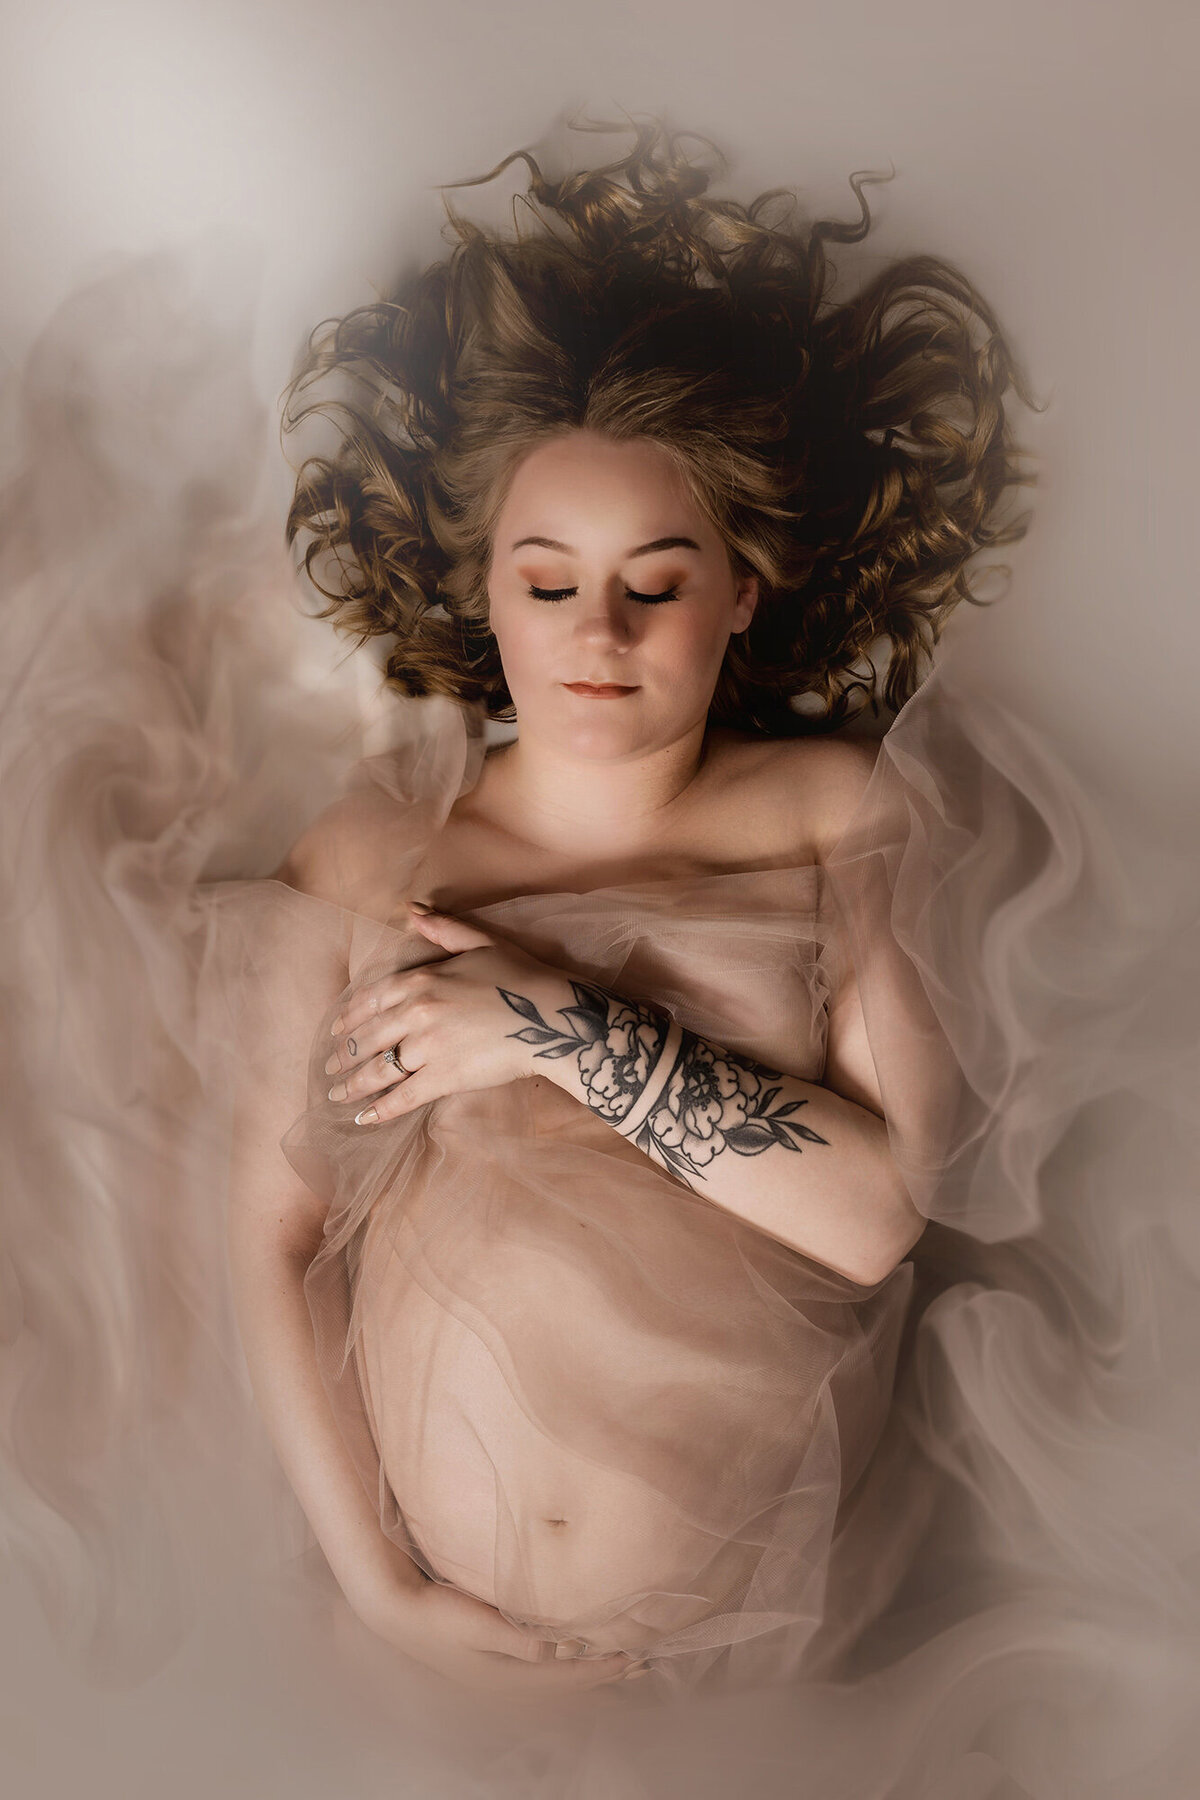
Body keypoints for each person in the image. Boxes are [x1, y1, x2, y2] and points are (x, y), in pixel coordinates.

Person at [219, 117, 1037, 1699]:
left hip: (783, 1644)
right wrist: (378, 1588)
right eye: (547, 579)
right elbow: (273, 1238)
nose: (599, 629)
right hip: (434, 1642)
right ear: (482, 591)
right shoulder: (367, 854)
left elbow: (878, 1214)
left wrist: (545, 1022)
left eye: (656, 581)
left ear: (743, 590)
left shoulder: (838, 814)